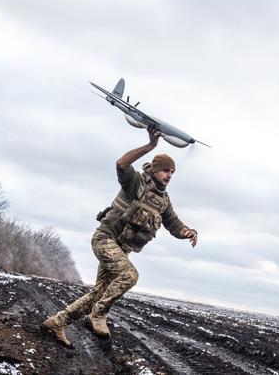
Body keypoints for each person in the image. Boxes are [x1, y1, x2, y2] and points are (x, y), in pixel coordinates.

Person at [43, 125, 198, 348]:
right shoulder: (135, 182)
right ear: (155, 170)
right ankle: (98, 315)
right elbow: (121, 164)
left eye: (172, 172)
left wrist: (187, 232)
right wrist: (150, 145)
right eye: (166, 170)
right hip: (105, 239)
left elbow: (173, 223)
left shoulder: (163, 200)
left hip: (121, 249)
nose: (169, 175)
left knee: (99, 293)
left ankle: (56, 322)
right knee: (129, 275)